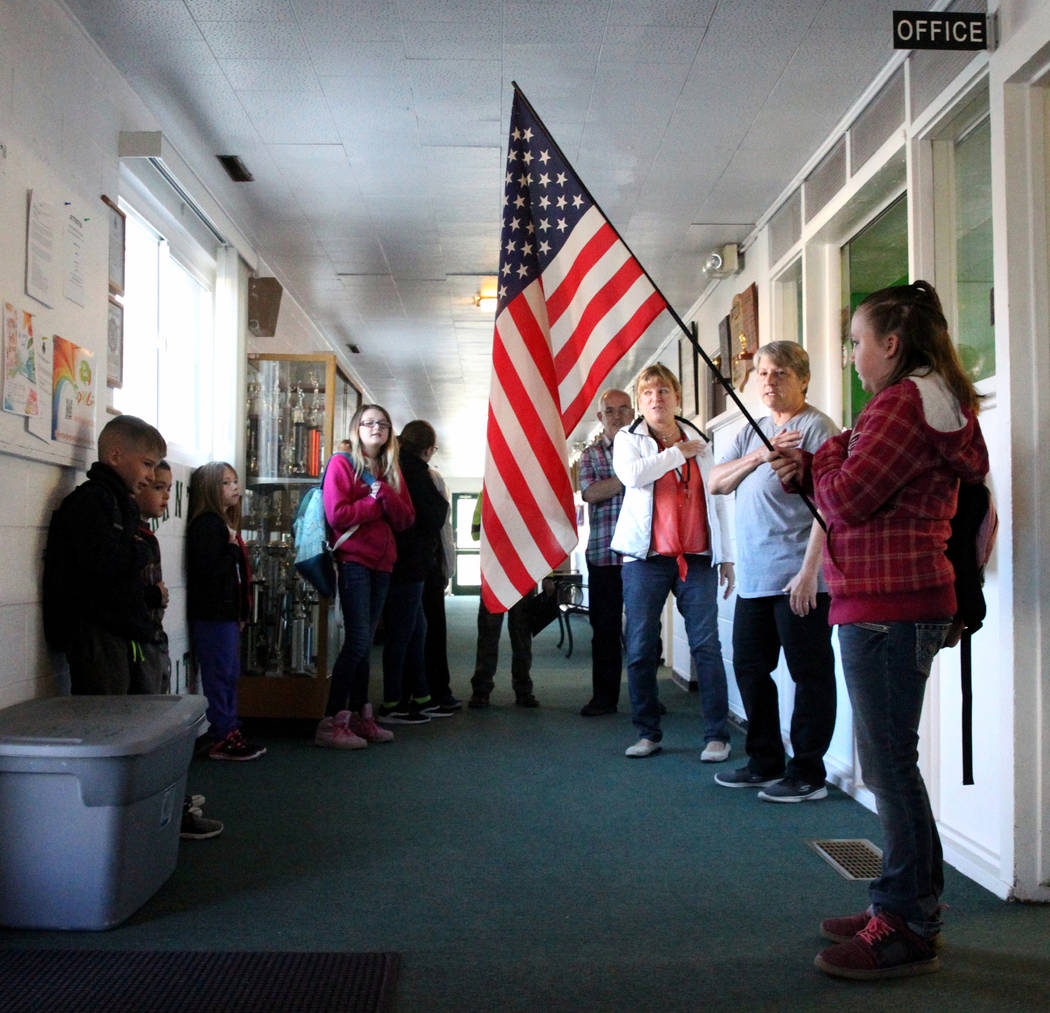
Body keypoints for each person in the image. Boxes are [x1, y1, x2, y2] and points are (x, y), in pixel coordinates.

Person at [770, 281, 988, 979]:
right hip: (894, 607)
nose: (854, 355)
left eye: (858, 341)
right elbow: (848, 488)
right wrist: (821, 464)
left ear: (891, 345)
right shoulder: (925, 398)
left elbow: (847, 497)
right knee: (893, 764)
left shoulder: (899, 401)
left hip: (889, 610)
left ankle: (906, 922)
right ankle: (905, 901)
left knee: (890, 767)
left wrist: (823, 453)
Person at [708, 342, 838, 802]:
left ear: (803, 378)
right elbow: (716, 482)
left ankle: (808, 774)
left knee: (809, 674)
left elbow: (830, 505)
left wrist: (810, 573)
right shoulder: (754, 430)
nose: (768, 381)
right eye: (762, 372)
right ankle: (765, 761)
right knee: (749, 667)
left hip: (799, 577)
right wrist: (761, 457)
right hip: (756, 578)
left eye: (780, 372)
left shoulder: (817, 428)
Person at [611, 363, 734, 760]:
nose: (656, 399)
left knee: (707, 646)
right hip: (645, 560)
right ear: (639, 404)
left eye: (663, 391)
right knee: (642, 647)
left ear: (677, 397)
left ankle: (717, 734)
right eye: (647, 394)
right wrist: (676, 454)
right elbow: (633, 476)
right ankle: (647, 733)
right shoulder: (629, 440)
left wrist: (726, 556)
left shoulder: (700, 440)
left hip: (697, 557)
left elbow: (717, 498)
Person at [43, 414, 166, 694]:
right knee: (106, 719)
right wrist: (140, 551)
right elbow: (101, 566)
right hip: (97, 635)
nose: (150, 476)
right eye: (147, 464)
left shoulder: (122, 504)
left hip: (120, 631)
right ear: (115, 456)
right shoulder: (92, 502)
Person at [316, 404, 413, 747]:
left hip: (383, 565)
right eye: (369, 422)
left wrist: (384, 494)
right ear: (356, 427)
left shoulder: (390, 471)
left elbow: (405, 519)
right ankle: (331, 721)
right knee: (357, 640)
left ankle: (361, 716)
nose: (377, 428)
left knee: (365, 641)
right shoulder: (342, 464)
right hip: (354, 561)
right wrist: (377, 506)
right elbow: (338, 514)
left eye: (384, 423)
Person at [135, 462, 223, 840]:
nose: (165, 495)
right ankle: (153, 815)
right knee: (143, 726)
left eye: (169, 488)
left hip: (150, 639)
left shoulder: (143, 534)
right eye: (157, 486)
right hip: (136, 643)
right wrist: (152, 596)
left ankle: (165, 805)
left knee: (158, 722)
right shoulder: (127, 534)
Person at [186, 461, 266, 761]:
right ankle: (223, 734)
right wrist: (232, 549)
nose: (235, 487)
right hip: (213, 615)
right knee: (220, 676)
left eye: (235, 481)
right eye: (226, 482)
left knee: (229, 674)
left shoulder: (221, 524)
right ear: (209, 489)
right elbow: (212, 570)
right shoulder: (207, 525)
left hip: (226, 614)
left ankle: (230, 729)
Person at [377, 420, 451, 724]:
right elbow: (434, 516)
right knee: (403, 634)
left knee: (415, 630)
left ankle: (421, 697)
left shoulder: (393, 467)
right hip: (409, 564)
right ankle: (394, 703)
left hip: (400, 561)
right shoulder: (416, 473)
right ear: (428, 449)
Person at [577, 388, 633, 716]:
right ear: (601, 417)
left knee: (645, 630)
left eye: (623, 410)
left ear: (632, 413)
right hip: (604, 554)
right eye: (610, 411)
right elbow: (591, 492)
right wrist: (632, 475)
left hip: (643, 556)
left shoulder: (648, 447)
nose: (616, 417)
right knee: (606, 631)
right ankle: (604, 698)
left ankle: (647, 695)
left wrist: (614, 481)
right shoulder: (590, 455)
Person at [467, 493, 538, 709]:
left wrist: (549, 576)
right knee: (488, 635)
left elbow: (540, 538)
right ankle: (482, 690)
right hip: (495, 574)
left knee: (522, 637)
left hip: (522, 575)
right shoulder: (487, 493)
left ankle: (523, 690)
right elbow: (475, 533)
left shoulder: (529, 492)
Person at [422, 456, 460, 711]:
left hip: (406, 568)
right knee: (432, 631)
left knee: (413, 634)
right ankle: (434, 692)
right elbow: (443, 528)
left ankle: (413, 694)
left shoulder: (427, 477)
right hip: (427, 566)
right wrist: (449, 567)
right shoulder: (431, 478)